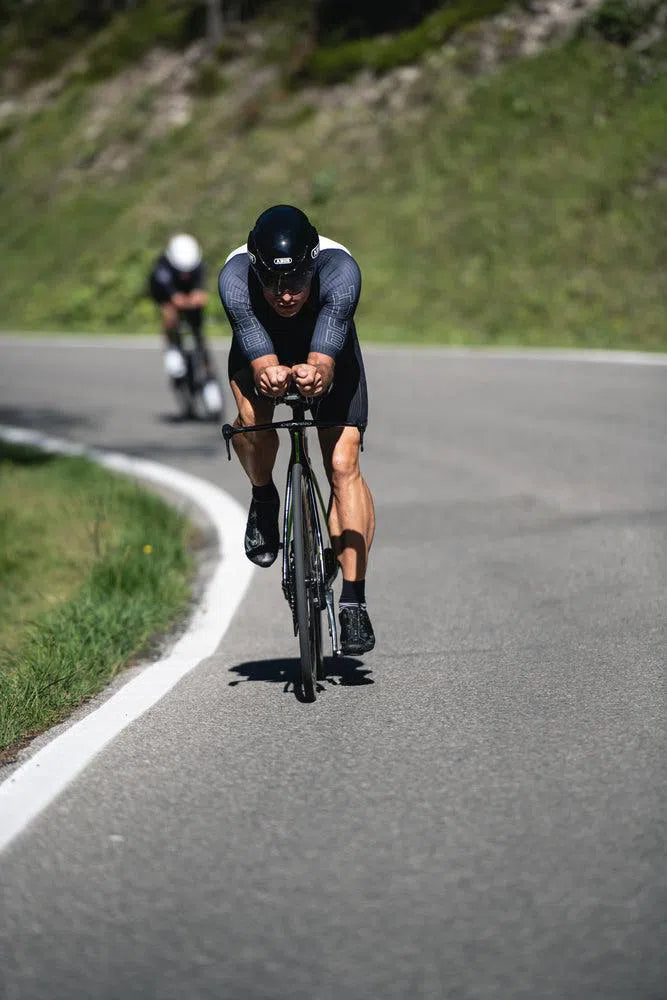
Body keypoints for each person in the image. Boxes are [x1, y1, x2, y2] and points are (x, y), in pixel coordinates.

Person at [218, 204, 376, 656]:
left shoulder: (341, 272)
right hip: (263, 343)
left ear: (313, 265)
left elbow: (326, 358)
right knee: (252, 423)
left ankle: (353, 602)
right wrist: (266, 371)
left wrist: (318, 371)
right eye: (271, 282)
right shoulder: (234, 279)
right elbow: (256, 351)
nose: (285, 294)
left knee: (343, 464)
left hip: (326, 345)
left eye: (297, 281)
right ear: (255, 270)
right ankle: (264, 496)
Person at [148, 233, 222, 412]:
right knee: (170, 313)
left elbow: (201, 291)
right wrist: (177, 300)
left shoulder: (199, 265)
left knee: (198, 331)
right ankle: (172, 349)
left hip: (188, 292)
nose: (186, 274)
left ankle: (206, 370)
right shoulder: (162, 268)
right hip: (166, 293)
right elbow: (173, 298)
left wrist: (199, 295)